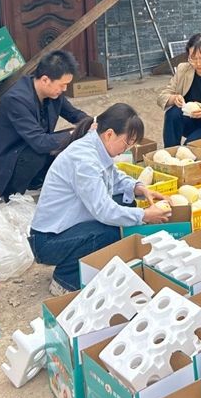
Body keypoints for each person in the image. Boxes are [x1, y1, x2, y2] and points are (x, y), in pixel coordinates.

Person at [29, 103, 171, 294]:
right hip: (48, 241)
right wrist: (144, 215)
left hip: (65, 229)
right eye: (127, 143)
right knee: (110, 231)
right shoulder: (84, 160)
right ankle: (65, 280)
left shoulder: (97, 147)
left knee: (125, 203)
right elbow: (104, 211)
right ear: (110, 134)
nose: (127, 148)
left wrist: (138, 188)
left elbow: (114, 176)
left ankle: (84, 263)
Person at [0, 50, 90, 201]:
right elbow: (39, 142)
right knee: (43, 151)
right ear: (45, 80)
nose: (64, 89)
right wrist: (75, 133)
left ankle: (36, 183)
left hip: (24, 148)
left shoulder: (53, 94)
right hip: (3, 160)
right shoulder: (16, 100)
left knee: (71, 138)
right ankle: (10, 196)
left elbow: (74, 115)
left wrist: (94, 123)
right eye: (62, 85)